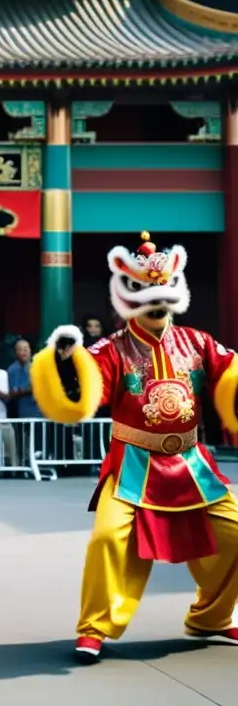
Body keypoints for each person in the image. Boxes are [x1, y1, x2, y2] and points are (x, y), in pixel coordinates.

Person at [31, 231, 238, 662]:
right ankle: (94, 627)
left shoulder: (199, 343)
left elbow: (229, 377)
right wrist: (66, 364)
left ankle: (212, 616)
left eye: (162, 293)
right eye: (145, 293)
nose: (156, 302)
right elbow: (85, 396)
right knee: (107, 539)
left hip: (191, 461)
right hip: (133, 462)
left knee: (234, 534)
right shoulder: (111, 349)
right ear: (129, 299)